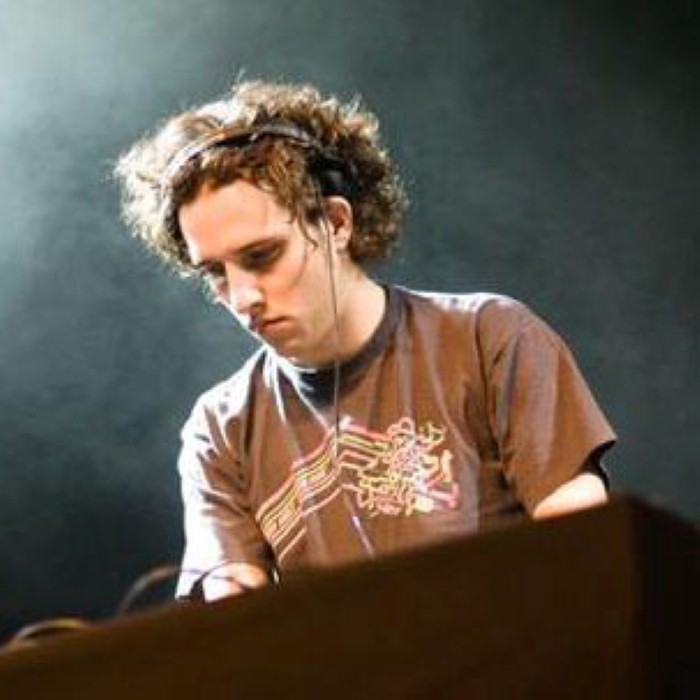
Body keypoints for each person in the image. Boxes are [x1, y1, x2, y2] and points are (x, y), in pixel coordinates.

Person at [114, 80, 615, 601]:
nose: (242, 298)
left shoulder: (490, 337)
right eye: (216, 274)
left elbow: (581, 551)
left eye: (261, 257)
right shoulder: (221, 429)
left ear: (335, 223)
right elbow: (233, 617)